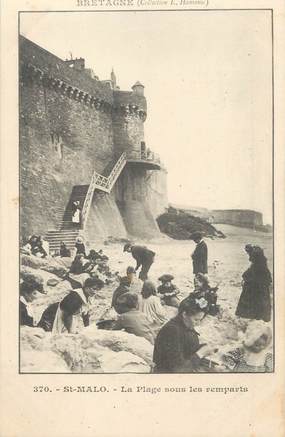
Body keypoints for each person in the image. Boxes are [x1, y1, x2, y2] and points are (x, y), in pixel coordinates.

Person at [153, 295, 217, 373]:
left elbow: (186, 348)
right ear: (184, 314)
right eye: (196, 319)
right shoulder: (171, 331)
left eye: (200, 320)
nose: (198, 323)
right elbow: (179, 369)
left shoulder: (185, 324)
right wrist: (201, 353)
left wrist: (204, 347)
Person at [235, 246, 272, 322]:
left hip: (255, 288)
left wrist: (246, 277)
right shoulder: (261, 263)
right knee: (260, 302)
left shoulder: (257, 265)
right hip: (259, 287)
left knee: (254, 302)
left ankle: (251, 316)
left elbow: (249, 275)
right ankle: (258, 316)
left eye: (250, 254)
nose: (249, 257)